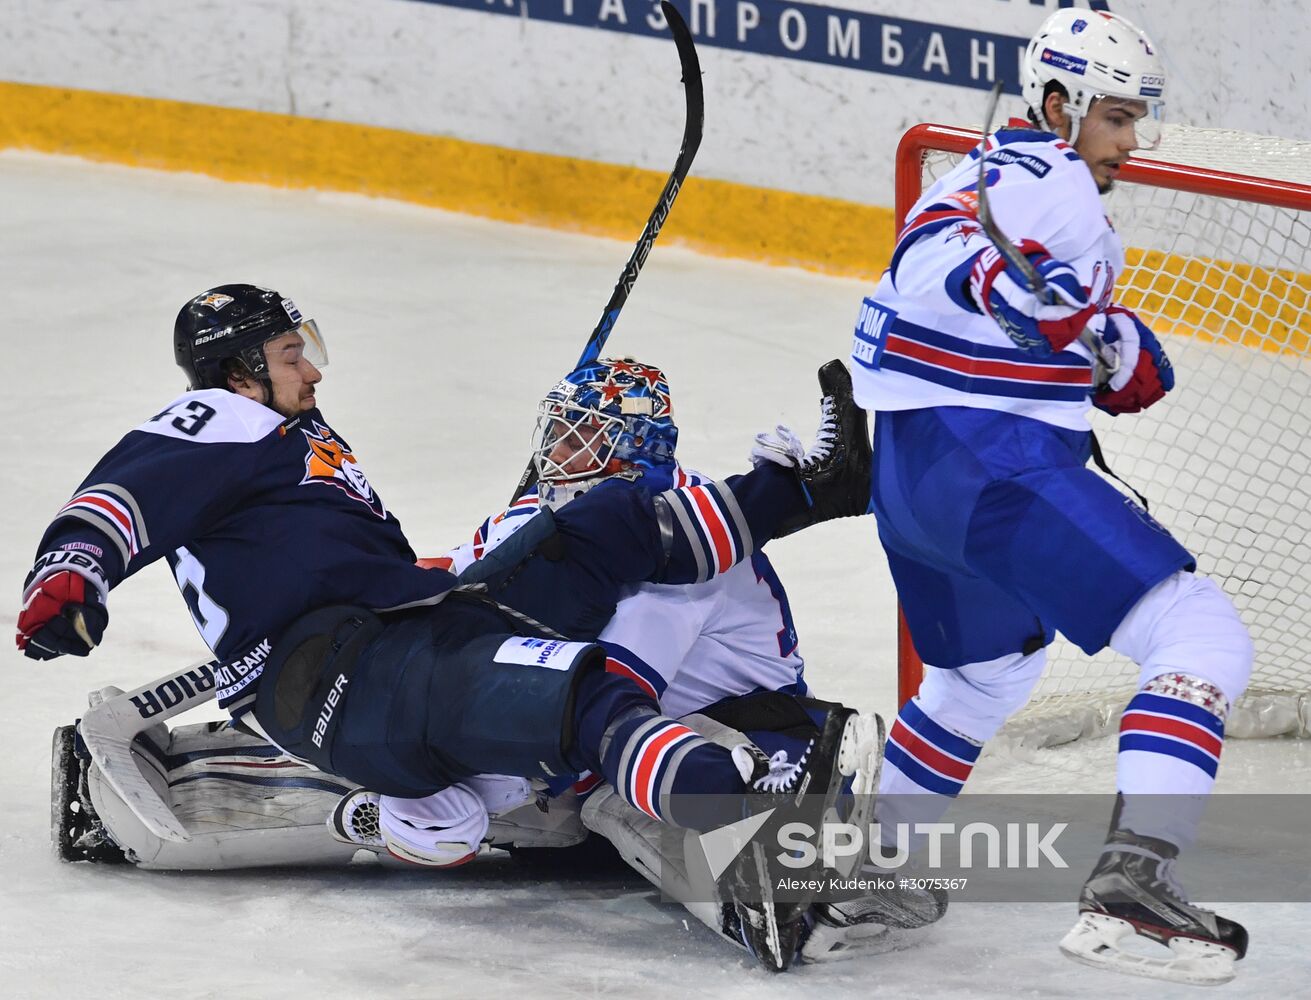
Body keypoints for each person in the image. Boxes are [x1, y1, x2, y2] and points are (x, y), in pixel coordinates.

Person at [21, 283, 873, 969]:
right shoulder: (225, 417)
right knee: (583, 704)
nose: (312, 371)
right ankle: (723, 793)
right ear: (240, 371)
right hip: (340, 661)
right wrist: (72, 571)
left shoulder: (289, 432)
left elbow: (405, 567)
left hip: (385, 634)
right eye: (291, 355)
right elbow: (123, 496)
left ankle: (815, 488)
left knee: (599, 536)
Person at [846, 8, 1252, 985]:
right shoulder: (1050, 181)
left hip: (910, 475)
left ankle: (868, 870)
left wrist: (1105, 342)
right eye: (1117, 116)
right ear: (1060, 104)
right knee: (1201, 635)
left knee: (981, 679)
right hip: (993, 466)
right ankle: (1134, 891)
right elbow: (942, 269)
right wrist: (1031, 297)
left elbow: (1014, 308)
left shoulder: (994, 170)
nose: (1131, 141)